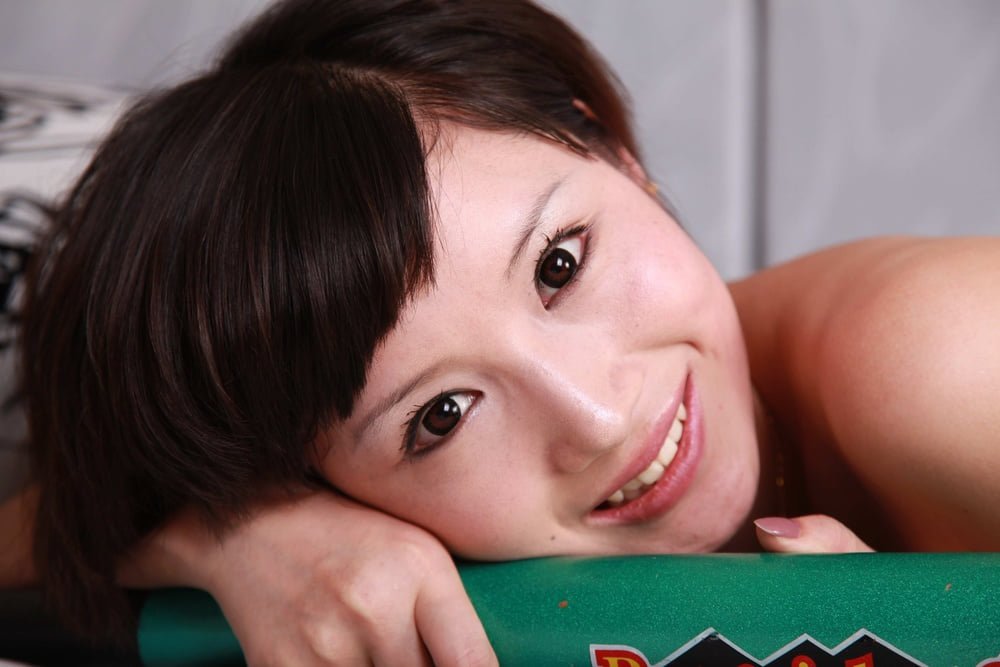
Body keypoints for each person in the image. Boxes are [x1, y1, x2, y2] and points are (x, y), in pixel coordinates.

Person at [1, 0, 998, 665]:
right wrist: (240, 538)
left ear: (613, 151)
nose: (595, 416)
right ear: (329, 482)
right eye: (441, 414)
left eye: (560, 264)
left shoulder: (931, 358)